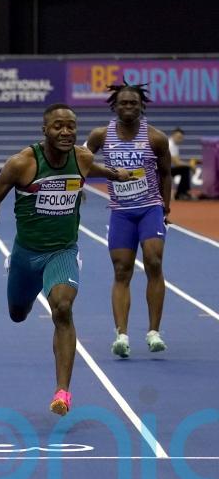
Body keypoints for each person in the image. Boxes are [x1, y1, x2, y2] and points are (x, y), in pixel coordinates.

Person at [0, 103, 130, 416]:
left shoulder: (82, 157)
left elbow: (93, 169)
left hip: (63, 251)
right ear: (45, 130)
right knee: (17, 313)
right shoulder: (22, 163)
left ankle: (62, 392)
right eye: (58, 126)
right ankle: (16, 274)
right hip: (26, 254)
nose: (66, 132)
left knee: (63, 309)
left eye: (71, 126)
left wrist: (113, 175)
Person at [86, 81, 172, 358]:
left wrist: (165, 208)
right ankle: (121, 335)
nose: (128, 107)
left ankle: (153, 332)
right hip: (121, 211)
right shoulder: (101, 135)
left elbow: (166, 173)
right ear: (115, 106)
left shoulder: (156, 138)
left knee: (154, 261)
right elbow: (80, 160)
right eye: (123, 102)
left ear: (141, 106)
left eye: (133, 103)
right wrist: (77, 187)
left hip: (150, 208)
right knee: (122, 270)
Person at [168, 127, 193, 200]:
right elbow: (177, 163)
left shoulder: (175, 145)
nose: (180, 139)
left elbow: (177, 162)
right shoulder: (170, 145)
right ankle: (181, 193)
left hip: (167, 168)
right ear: (173, 136)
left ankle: (181, 192)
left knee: (184, 169)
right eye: (178, 137)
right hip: (161, 170)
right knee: (185, 169)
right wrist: (191, 165)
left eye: (181, 137)